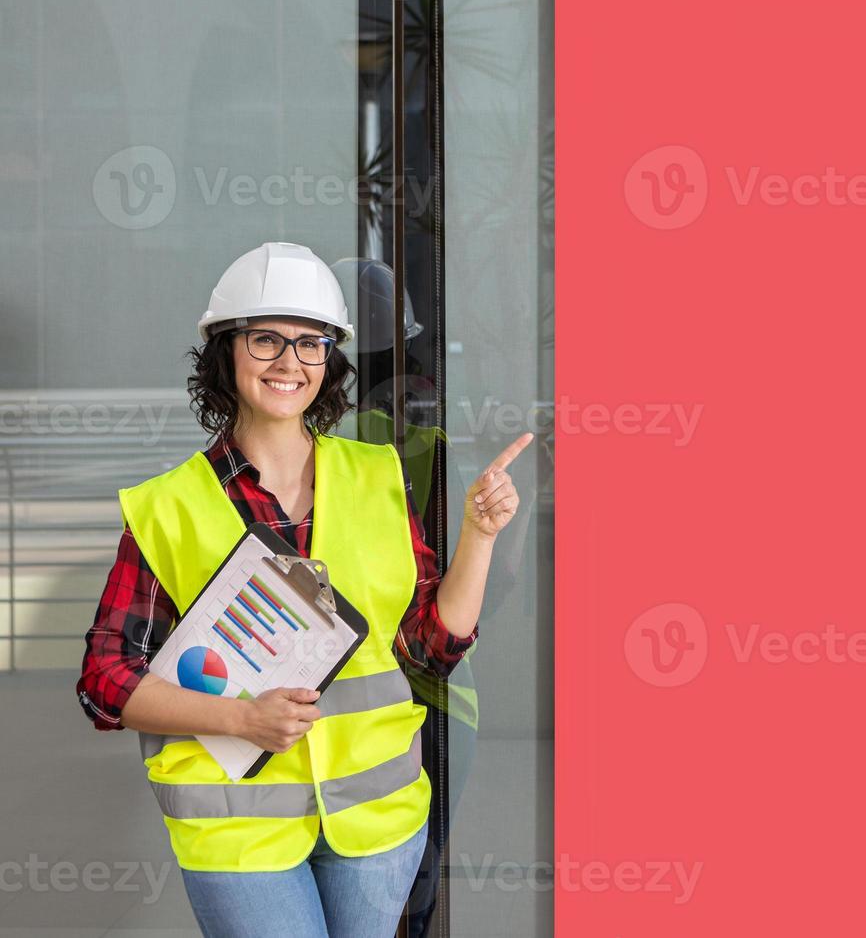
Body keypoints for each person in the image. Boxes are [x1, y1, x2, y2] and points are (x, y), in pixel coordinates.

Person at [75, 241, 533, 938]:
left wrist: (479, 534)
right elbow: (104, 681)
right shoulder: (168, 508)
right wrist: (240, 720)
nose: (290, 362)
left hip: (374, 822)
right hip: (238, 832)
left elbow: (428, 649)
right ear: (225, 352)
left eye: (311, 343)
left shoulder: (378, 478)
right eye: (266, 340)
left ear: (330, 360)